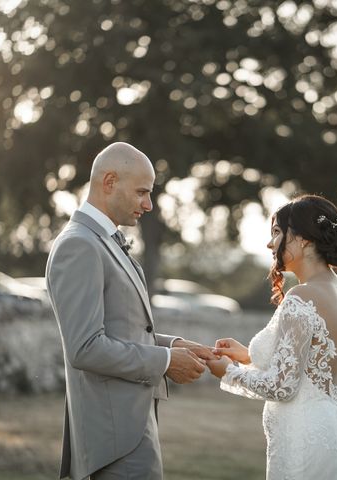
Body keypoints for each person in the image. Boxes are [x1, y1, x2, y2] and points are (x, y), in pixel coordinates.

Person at [46, 142, 214, 480]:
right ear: (109, 182)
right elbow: (85, 348)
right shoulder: (79, 245)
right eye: (142, 192)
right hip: (113, 440)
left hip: (132, 426)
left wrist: (173, 346)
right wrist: (166, 363)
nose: (149, 205)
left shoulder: (104, 241)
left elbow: (121, 329)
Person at [208, 194, 337, 479]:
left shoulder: (302, 296)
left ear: (303, 239)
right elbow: (312, 363)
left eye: (277, 233)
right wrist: (249, 357)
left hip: (304, 437)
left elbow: (282, 386)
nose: (270, 244)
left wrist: (229, 372)